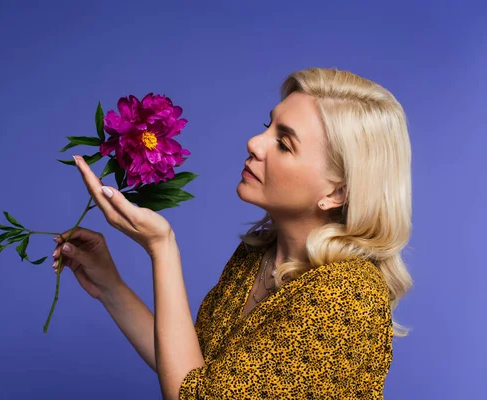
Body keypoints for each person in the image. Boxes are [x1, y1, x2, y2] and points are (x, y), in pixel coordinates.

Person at [51, 67, 413, 399]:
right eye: (267, 126)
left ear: (336, 192)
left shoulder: (345, 297)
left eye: (284, 143)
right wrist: (111, 287)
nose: (254, 143)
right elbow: (195, 373)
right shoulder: (260, 256)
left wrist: (162, 248)